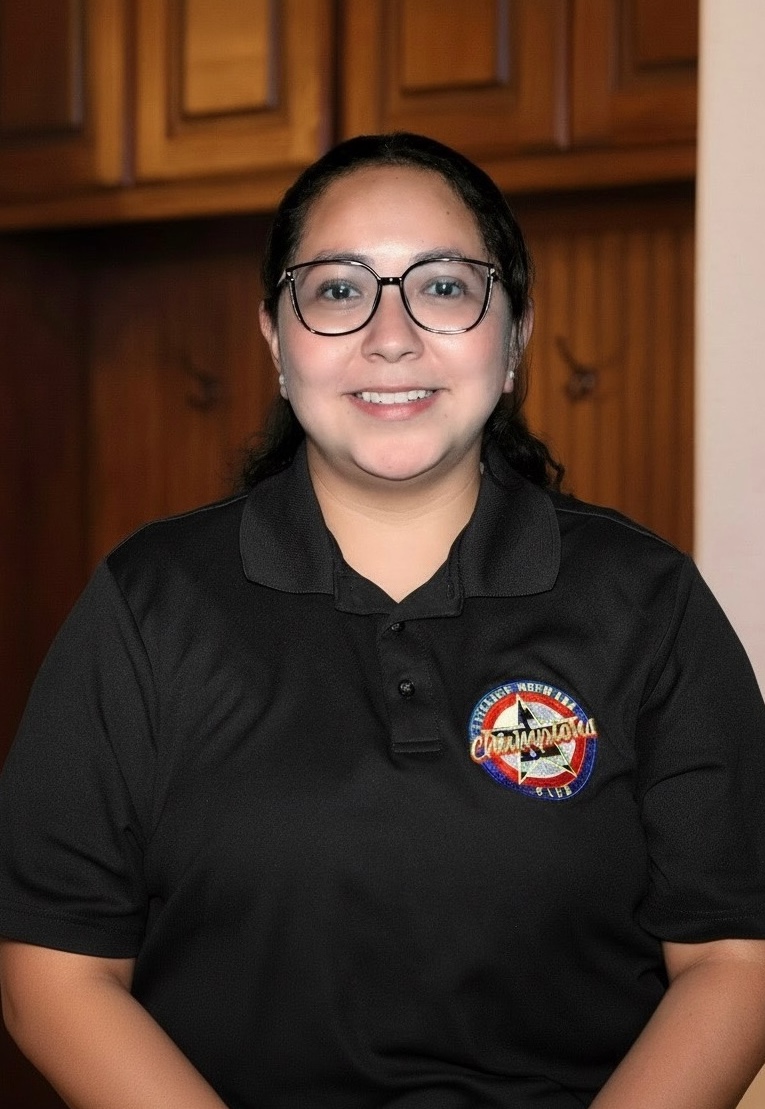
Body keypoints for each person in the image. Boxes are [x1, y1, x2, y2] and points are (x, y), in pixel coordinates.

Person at [1, 131, 765, 1109]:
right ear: (278, 340)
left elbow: (731, 956)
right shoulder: (148, 605)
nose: (391, 334)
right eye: (337, 289)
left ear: (516, 331)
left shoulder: (649, 600)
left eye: (444, 287)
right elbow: (54, 973)